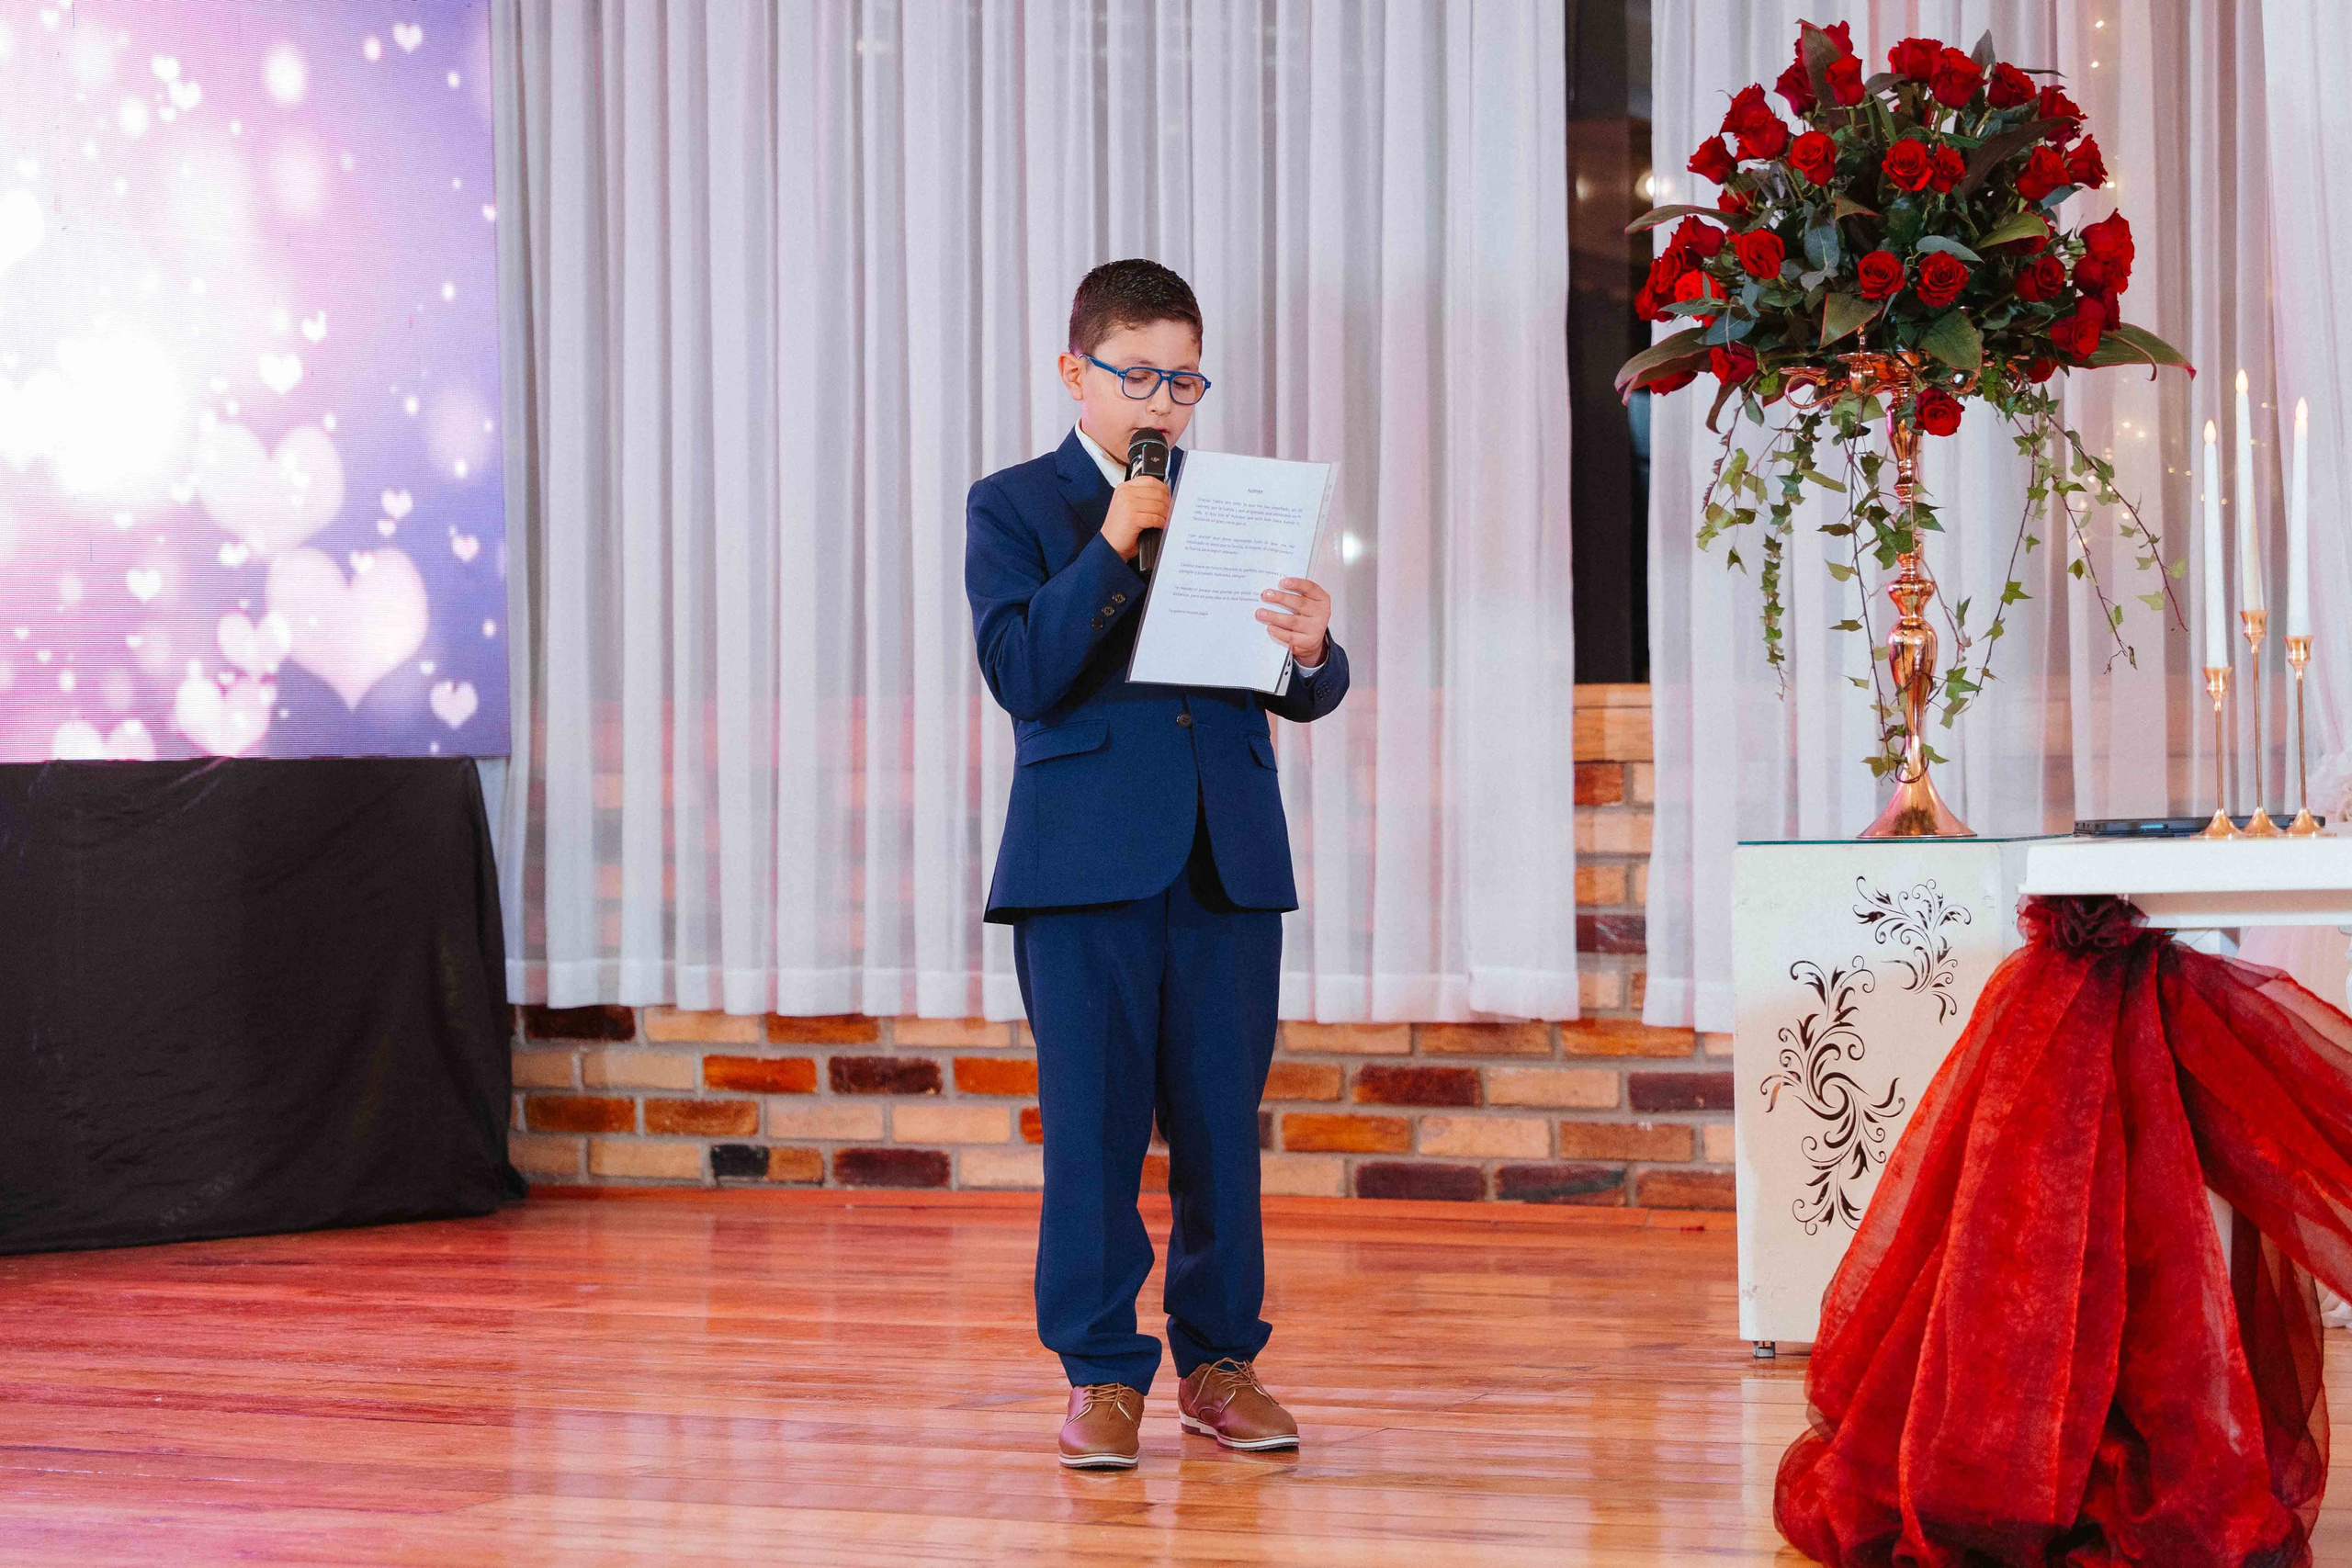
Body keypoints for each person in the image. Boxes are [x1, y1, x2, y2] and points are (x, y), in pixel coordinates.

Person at [963, 258, 1349, 1470]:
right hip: (1082, 867)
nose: (1164, 404)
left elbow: (1296, 689)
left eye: (1184, 381)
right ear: (1074, 372)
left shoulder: (1230, 503)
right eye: (1138, 376)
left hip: (1225, 860)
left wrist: (1314, 649)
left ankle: (1222, 1366)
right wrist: (1113, 542)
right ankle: (1100, 1374)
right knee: (1094, 1135)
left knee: (1223, 1133)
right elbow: (1022, 674)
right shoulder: (1014, 505)